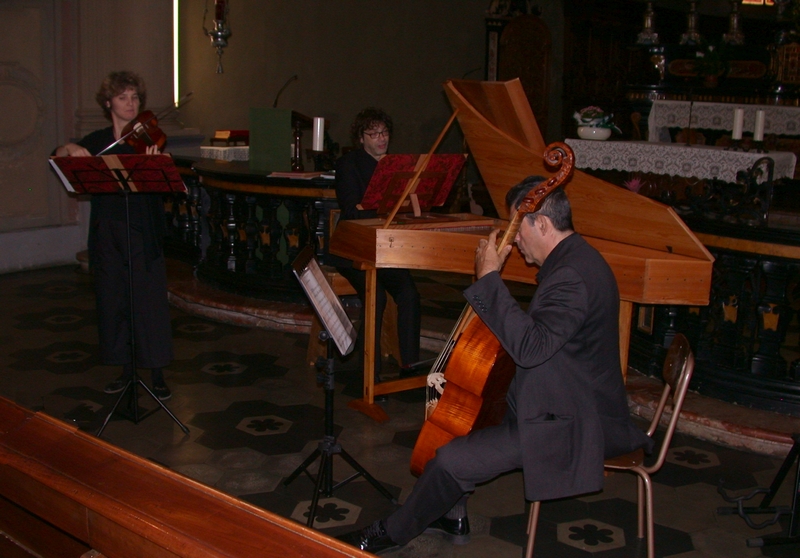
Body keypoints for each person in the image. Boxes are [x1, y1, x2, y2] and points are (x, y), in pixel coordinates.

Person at [339, 177, 654, 553]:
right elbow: (549, 337)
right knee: (465, 416)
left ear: (542, 223)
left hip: (573, 419)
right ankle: (450, 514)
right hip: (563, 395)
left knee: (452, 458)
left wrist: (489, 278)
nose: (514, 238)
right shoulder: (577, 257)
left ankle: (388, 534)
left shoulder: (571, 276)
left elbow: (532, 348)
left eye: (518, 228)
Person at [54, 71, 173, 401]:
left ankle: (158, 373)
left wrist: (157, 165)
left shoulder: (149, 141)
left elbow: (166, 181)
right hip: (108, 230)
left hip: (142, 229)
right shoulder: (98, 140)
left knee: (148, 301)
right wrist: (70, 148)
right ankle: (125, 370)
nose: (131, 104)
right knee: (114, 299)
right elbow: (59, 157)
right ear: (109, 103)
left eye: (135, 97)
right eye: (123, 98)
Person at [332, 108, 422, 386]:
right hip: (353, 248)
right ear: (362, 138)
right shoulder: (349, 164)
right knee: (376, 296)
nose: (381, 139)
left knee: (409, 294)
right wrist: (381, 206)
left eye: (384, 133)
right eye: (374, 134)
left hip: (386, 248)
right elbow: (350, 208)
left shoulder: (397, 164)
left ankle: (410, 366)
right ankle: (370, 374)